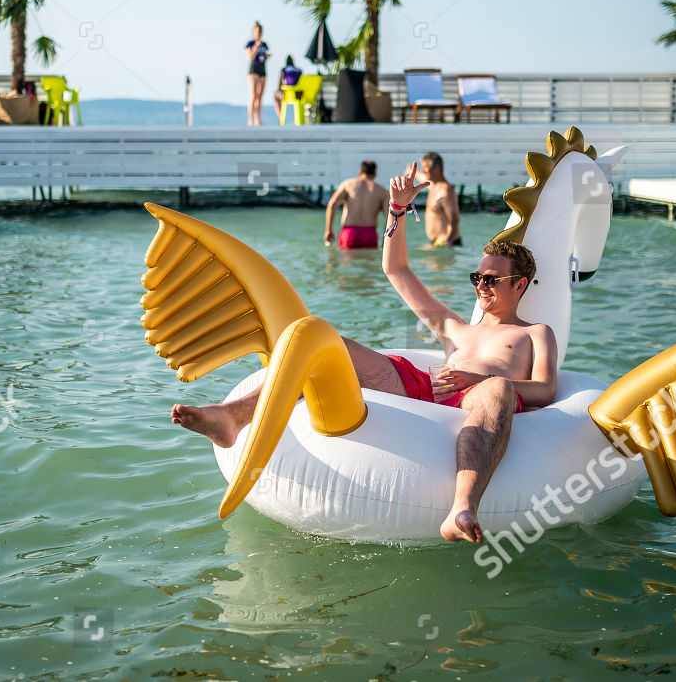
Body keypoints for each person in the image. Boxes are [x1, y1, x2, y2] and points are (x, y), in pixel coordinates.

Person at [172, 160, 556, 544]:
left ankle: (461, 507)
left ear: (519, 284)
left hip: (480, 395)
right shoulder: (456, 327)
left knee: (500, 390)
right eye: (477, 277)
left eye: (492, 279)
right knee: (324, 340)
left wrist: (482, 379)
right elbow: (397, 270)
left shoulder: (535, 333)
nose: (481, 286)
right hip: (421, 386)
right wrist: (397, 209)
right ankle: (232, 417)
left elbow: (544, 390)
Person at [323, 160, 389, 248]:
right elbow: (389, 216)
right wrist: (386, 239)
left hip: (349, 233)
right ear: (375, 175)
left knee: (347, 261)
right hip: (369, 234)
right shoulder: (382, 191)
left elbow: (332, 204)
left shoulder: (347, 184)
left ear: (360, 172)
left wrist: (329, 229)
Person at [420, 152, 461, 246]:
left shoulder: (445, 191)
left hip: (446, 243)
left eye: (425, 167)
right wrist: (410, 171)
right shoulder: (432, 185)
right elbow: (421, 176)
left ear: (437, 168)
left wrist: (448, 242)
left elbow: (454, 220)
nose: (423, 171)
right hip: (436, 243)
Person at [244, 22, 269, 127]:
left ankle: (258, 119)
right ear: (254, 32)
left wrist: (266, 56)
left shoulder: (265, 44)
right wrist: (256, 48)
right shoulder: (250, 43)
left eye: (260, 31)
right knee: (253, 95)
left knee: (260, 96)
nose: (259, 33)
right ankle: (250, 120)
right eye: (257, 31)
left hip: (262, 70)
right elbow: (250, 57)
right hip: (253, 70)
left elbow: (264, 57)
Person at [272, 54, 303, 123]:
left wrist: (280, 90)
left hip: (287, 94)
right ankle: (298, 119)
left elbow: (280, 84)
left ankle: (280, 117)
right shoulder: (299, 70)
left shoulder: (284, 70)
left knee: (275, 95)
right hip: (299, 95)